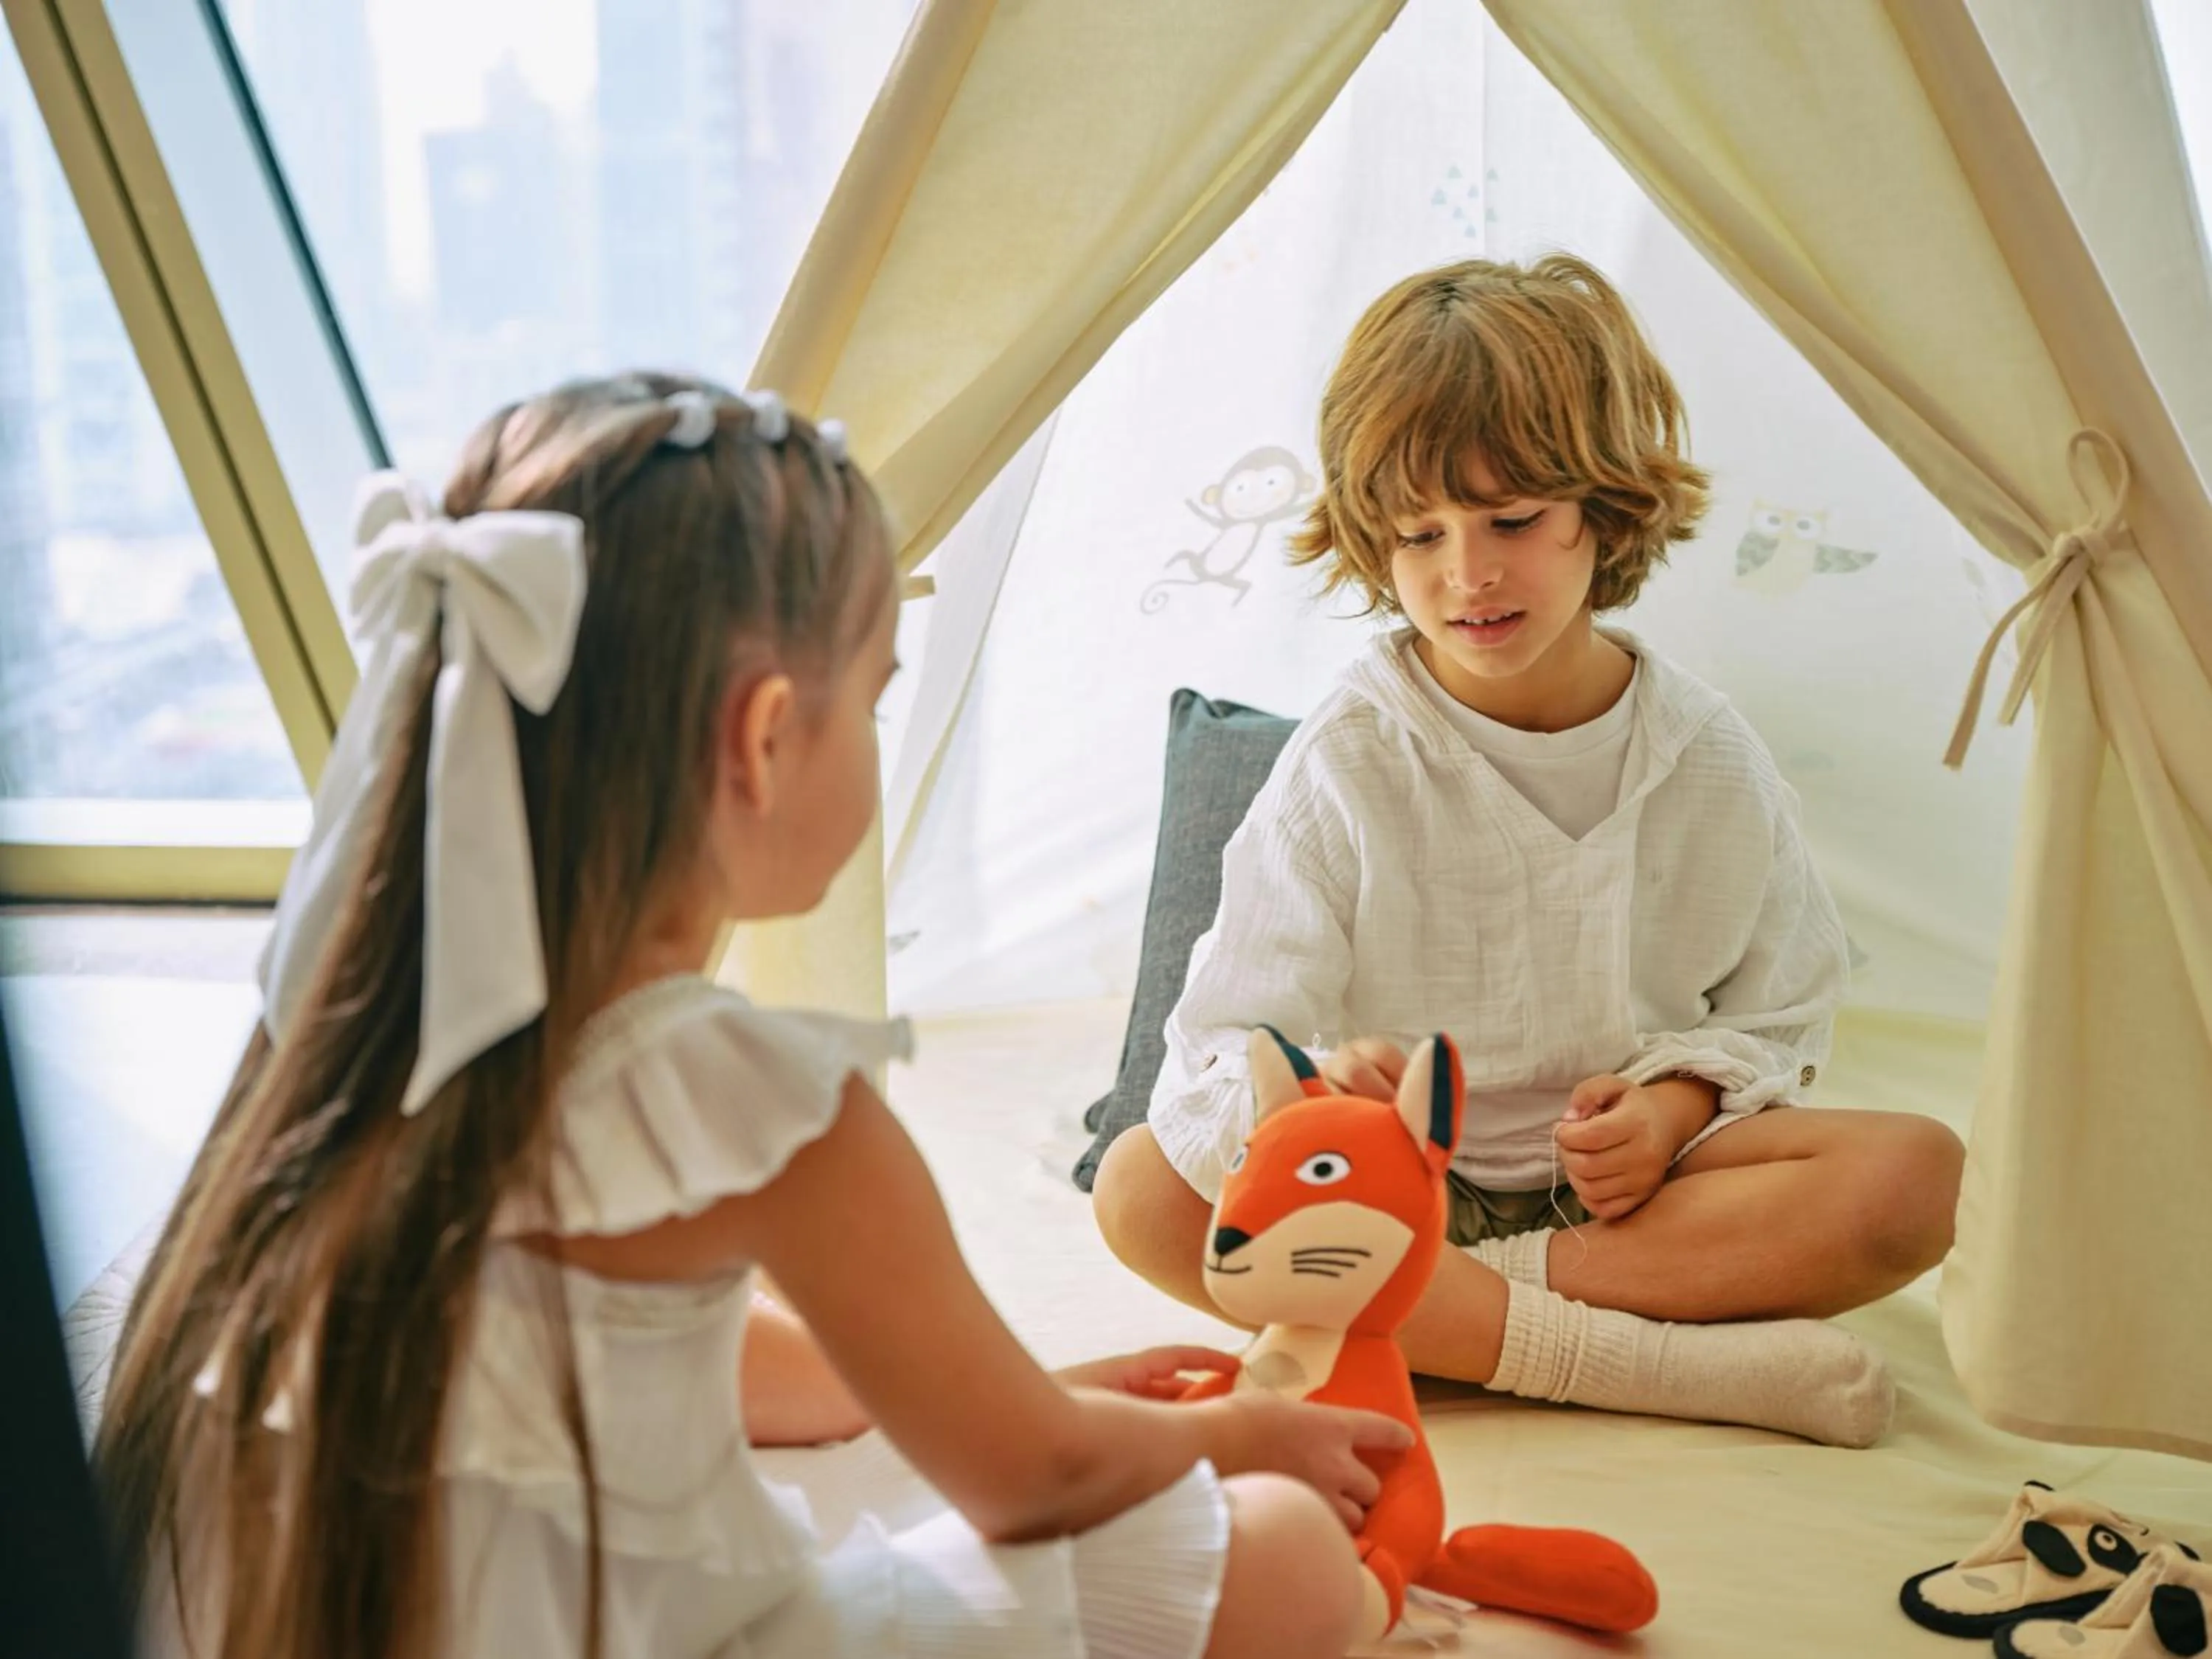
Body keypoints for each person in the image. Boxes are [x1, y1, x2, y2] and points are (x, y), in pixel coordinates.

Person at [94, 374, 1409, 1659]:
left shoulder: (357, 1021)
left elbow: (659, 1346)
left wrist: (1003, 1394)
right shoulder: (747, 1096)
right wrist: (1222, 1436)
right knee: (1283, 1552)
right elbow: (1039, 1479)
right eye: (877, 699)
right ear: (767, 736)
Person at [1093, 256, 1964, 1450]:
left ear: (1605, 510)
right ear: (1372, 540)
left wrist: (1670, 1109)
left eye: (1513, 520)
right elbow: (1230, 1042)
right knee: (1142, 1189)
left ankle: (1446, 1329)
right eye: (1420, 534)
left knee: (1915, 1175)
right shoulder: (1350, 758)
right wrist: (1320, 1098)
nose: (1469, 573)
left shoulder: (1705, 754)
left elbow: (1782, 1008)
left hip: (1626, 1206)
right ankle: (1620, 1361)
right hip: (1392, 1192)